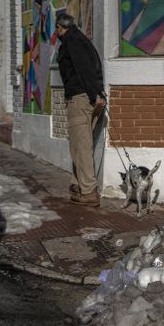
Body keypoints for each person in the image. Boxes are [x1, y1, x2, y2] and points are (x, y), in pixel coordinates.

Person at [55, 13, 106, 207]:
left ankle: (88, 192)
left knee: (81, 147)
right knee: (81, 145)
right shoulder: (83, 41)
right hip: (92, 97)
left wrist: (95, 94)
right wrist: (98, 94)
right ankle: (78, 186)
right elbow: (92, 68)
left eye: (57, 30)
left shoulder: (71, 41)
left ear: (60, 27)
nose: (57, 34)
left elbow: (83, 68)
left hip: (81, 99)